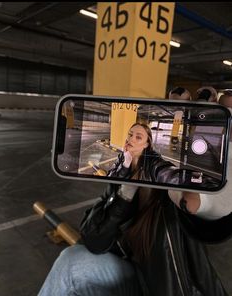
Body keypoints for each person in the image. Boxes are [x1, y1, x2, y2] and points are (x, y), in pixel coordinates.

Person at [38, 123, 231, 296]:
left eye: (138, 137)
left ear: (147, 145)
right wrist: (124, 195)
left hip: (163, 287)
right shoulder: (120, 174)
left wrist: (199, 197)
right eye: (130, 134)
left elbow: (171, 179)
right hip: (131, 272)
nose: (130, 139)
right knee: (70, 261)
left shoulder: (157, 172)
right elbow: (93, 240)